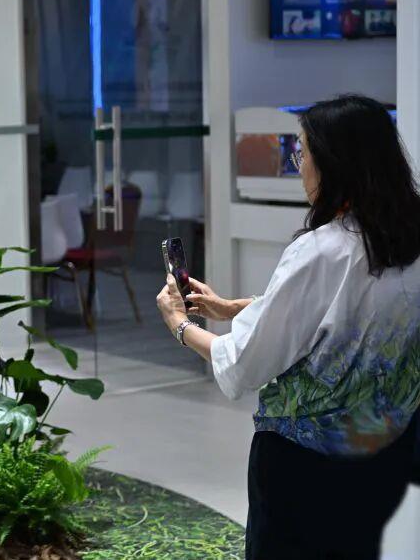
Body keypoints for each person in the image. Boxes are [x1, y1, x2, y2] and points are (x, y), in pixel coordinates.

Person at [156, 95, 420, 560]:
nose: (299, 168)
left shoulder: (321, 250)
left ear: (333, 163)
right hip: (384, 456)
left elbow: (243, 364)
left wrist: (179, 324)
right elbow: (357, 315)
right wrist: (236, 308)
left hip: (305, 471)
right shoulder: (408, 238)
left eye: (302, 153)